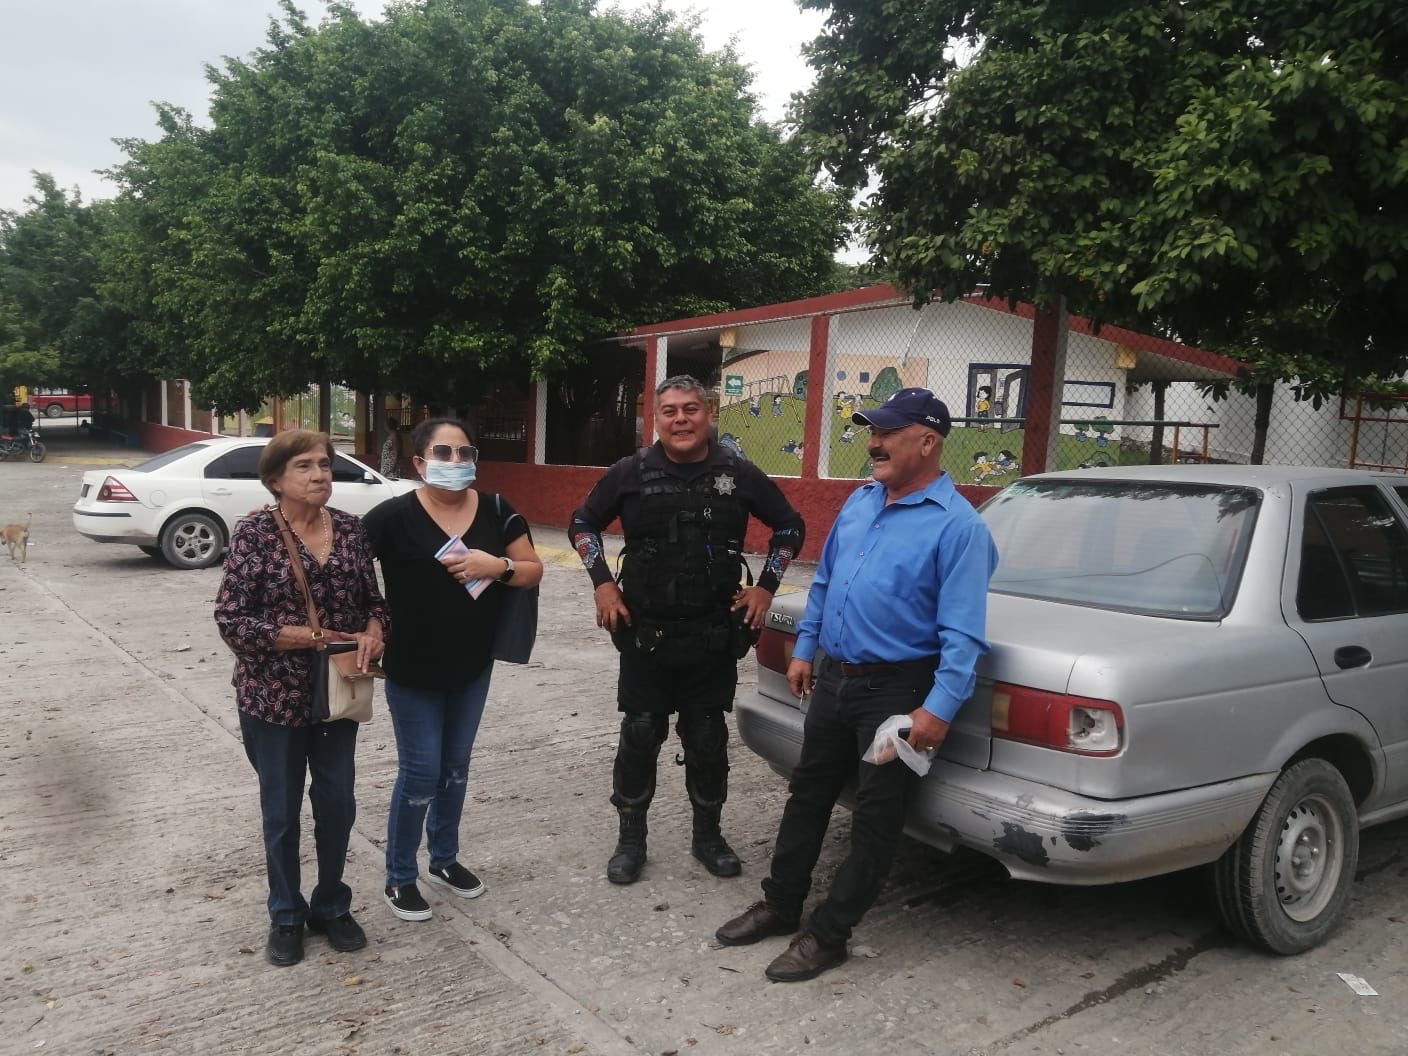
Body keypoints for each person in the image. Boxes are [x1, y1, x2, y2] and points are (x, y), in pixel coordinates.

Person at [715, 387, 998, 982]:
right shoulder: (861, 501)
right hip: (835, 680)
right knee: (808, 792)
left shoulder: (959, 528)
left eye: (888, 432)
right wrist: (806, 649)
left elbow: (963, 634)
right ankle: (780, 903)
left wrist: (938, 710)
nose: (873, 443)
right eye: (872, 431)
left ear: (928, 441)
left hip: (898, 695)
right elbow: (825, 583)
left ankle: (829, 933)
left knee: (876, 817)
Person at [569, 375, 805, 885]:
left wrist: (766, 587)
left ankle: (708, 837)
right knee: (640, 734)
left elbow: (790, 527)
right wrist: (603, 584)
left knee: (707, 738)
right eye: (670, 410)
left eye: (691, 409)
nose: (681, 419)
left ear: (708, 413)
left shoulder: (739, 473)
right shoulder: (629, 472)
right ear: (655, 418)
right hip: (645, 635)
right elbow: (582, 524)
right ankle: (631, 840)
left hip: (711, 636)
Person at [214, 429, 389, 967]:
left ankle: (331, 904)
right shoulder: (254, 533)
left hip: (338, 691)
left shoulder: (352, 530)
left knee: (337, 804)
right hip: (272, 696)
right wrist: (309, 637)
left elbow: (374, 601)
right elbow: (232, 620)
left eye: (325, 465)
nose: (319, 476)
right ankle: (286, 914)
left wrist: (374, 631)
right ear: (275, 480)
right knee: (282, 809)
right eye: (304, 467)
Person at [363, 418, 544, 922]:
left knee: (455, 769)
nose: (455, 462)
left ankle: (443, 859)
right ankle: (400, 876)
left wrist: (497, 566)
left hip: (472, 665)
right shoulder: (392, 517)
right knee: (421, 773)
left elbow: (532, 568)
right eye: (443, 453)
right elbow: (343, 565)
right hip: (413, 668)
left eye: (465, 453)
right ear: (419, 463)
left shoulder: (497, 509)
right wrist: (371, 620)